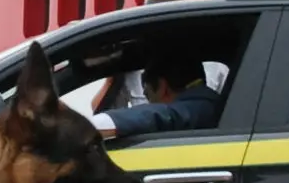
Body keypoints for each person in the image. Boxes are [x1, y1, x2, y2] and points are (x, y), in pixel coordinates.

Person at [93, 57, 223, 139]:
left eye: (147, 95)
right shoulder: (208, 102)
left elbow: (159, 115)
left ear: (162, 86)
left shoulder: (198, 107)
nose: (149, 102)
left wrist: (83, 128)